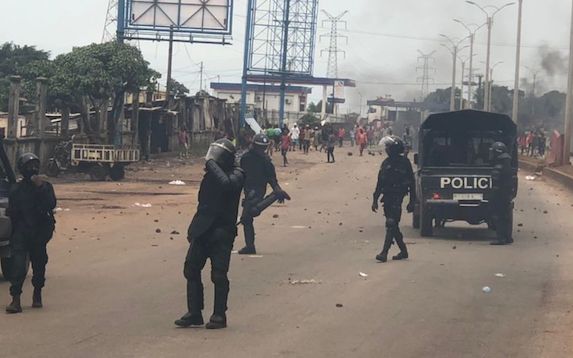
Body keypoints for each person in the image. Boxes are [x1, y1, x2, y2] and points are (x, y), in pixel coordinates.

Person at [175, 139, 244, 329]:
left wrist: (212, 164)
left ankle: (219, 315)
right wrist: (193, 228)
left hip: (223, 231)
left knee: (219, 275)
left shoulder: (237, 173)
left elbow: (228, 185)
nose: (212, 158)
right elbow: (203, 205)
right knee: (191, 269)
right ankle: (194, 313)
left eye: (217, 154)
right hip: (203, 229)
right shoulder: (211, 176)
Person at [5, 153, 57, 314]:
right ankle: (16, 300)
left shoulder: (46, 187)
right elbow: (13, 212)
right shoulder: (16, 189)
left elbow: (51, 204)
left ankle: (37, 293)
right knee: (18, 267)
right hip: (22, 232)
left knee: (39, 265)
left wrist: (40, 187)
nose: (32, 169)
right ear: (22, 169)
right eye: (29, 166)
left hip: (39, 233)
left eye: (35, 165)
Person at [239, 133, 291, 255]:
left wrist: (277, 189)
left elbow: (272, 178)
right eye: (259, 147)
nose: (261, 150)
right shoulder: (245, 157)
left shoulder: (266, 160)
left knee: (251, 214)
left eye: (263, 147)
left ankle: (274, 196)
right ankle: (250, 246)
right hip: (247, 188)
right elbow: (240, 173)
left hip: (258, 189)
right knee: (246, 219)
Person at [371, 136, 415, 263]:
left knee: (391, 223)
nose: (387, 150)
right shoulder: (385, 163)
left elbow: (412, 183)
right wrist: (375, 199)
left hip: (398, 197)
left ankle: (384, 252)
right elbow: (380, 183)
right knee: (392, 225)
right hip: (387, 198)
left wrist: (412, 201)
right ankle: (403, 250)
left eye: (389, 148)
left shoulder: (405, 163)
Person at [490, 142, 515, 246]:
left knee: (499, 216)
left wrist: (492, 197)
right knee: (506, 216)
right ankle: (508, 237)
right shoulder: (507, 163)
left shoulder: (499, 166)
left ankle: (500, 238)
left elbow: (495, 183)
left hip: (500, 195)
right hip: (507, 194)